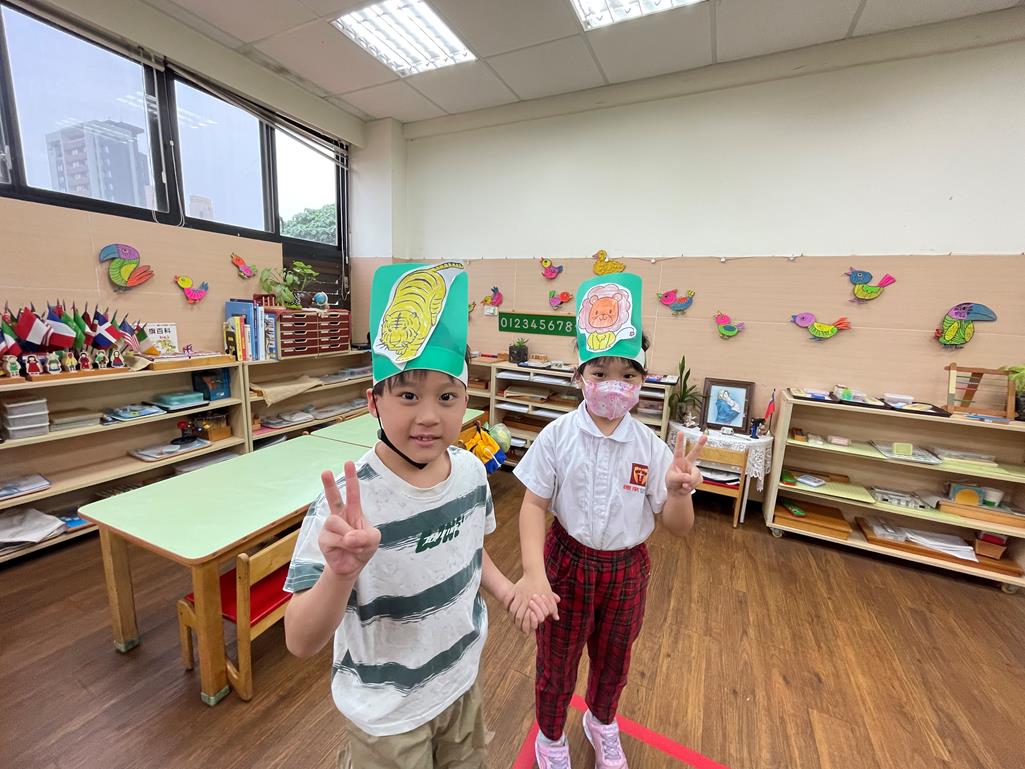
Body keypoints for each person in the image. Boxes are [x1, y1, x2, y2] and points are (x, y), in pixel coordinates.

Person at [283, 262, 556, 769]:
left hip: (461, 683)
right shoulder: (346, 506)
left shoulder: (471, 473)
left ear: (467, 400)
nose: (429, 416)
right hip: (387, 717)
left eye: (447, 397)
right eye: (408, 395)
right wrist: (341, 575)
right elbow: (299, 640)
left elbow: (469, 553)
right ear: (373, 402)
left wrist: (507, 591)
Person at [510, 273, 706, 769]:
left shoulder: (651, 447)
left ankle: (602, 722)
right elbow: (532, 505)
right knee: (556, 660)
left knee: (615, 658)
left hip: (627, 571)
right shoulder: (557, 436)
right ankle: (551, 737)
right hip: (566, 564)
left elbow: (678, 527)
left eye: (627, 375)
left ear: (642, 380)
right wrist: (533, 574)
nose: (613, 385)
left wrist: (678, 492)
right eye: (600, 372)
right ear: (580, 375)